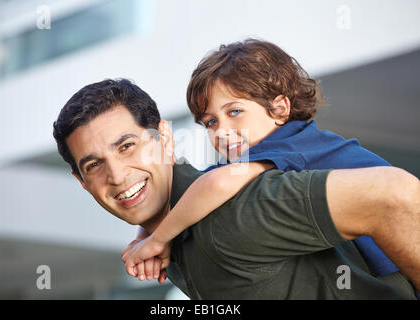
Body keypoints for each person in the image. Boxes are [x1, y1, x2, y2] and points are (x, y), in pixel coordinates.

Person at [53, 78, 420, 299]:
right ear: (82, 183)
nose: (116, 175)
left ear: (164, 138)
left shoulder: (233, 211)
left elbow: (393, 194)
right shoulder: (172, 246)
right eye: (94, 165)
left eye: (127, 146)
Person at [123, 39, 400, 281]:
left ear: (279, 109)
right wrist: (143, 236)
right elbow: (192, 188)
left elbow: (216, 185)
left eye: (234, 112)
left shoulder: (290, 142)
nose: (221, 131)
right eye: (210, 122)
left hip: (396, 264)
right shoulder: (257, 154)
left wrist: (159, 239)